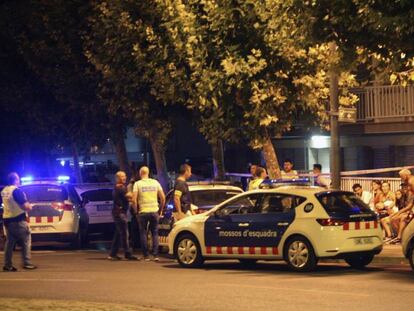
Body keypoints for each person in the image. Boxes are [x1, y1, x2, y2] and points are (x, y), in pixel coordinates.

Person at [1, 172, 36, 272]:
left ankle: (7, 265)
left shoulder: (4, 191)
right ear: (16, 180)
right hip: (18, 220)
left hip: (7, 220)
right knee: (26, 240)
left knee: (9, 243)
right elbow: (24, 206)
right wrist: (30, 206)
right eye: (18, 179)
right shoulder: (17, 191)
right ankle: (27, 263)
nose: (19, 181)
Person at [133, 166, 165, 261]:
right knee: (155, 233)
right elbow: (163, 198)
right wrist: (161, 209)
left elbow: (134, 200)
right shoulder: (155, 183)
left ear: (140, 173)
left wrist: (136, 211)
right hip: (154, 210)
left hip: (143, 211)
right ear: (148, 173)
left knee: (143, 233)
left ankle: (146, 255)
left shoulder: (137, 184)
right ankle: (155, 255)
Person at [108, 171, 138, 261]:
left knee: (118, 234)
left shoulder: (118, 187)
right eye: (122, 177)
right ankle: (127, 253)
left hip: (119, 212)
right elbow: (129, 196)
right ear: (117, 178)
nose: (124, 178)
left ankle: (112, 254)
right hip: (120, 213)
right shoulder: (120, 187)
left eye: (125, 176)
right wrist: (135, 190)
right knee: (125, 233)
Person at [389, 176, 414, 244]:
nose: (404, 189)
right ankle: (399, 236)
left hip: (410, 213)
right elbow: (406, 207)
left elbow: (409, 207)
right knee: (393, 218)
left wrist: (399, 212)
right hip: (408, 212)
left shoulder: (412, 195)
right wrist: (397, 213)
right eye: (403, 187)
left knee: (403, 217)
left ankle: (399, 237)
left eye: (406, 187)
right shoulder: (405, 195)